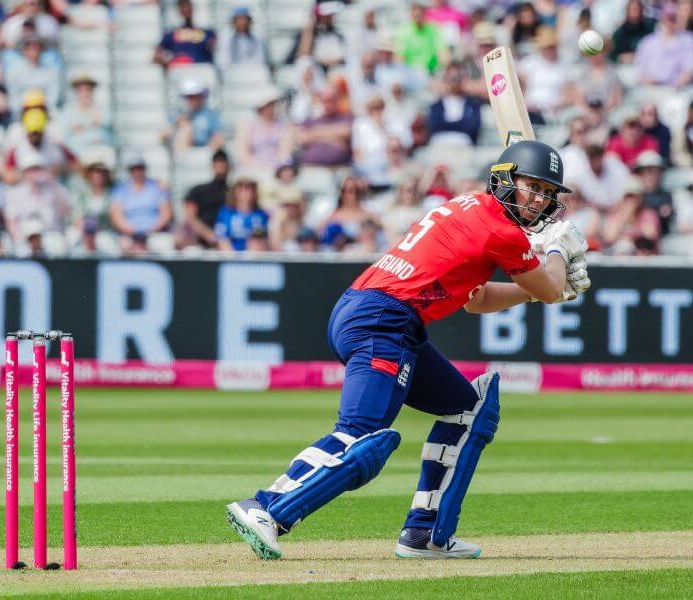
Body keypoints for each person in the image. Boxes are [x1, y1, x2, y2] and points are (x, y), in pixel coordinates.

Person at [225, 140, 590, 561]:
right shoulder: (501, 231)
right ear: (506, 179)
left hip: (385, 316)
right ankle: (266, 507)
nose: (539, 199)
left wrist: (537, 280)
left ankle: (426, 533)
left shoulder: (472, 207)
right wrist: (557, 250)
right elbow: (550, 289)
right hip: (383, 319)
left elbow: (477, 299)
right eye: (532, 187)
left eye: (547, 192)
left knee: (469, 411)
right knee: (362, 435)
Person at [4, 151, 70, 243]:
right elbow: (12, 222)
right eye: (31, 169)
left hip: (53, 237)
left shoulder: (55, 189)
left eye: (38, 169)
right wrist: (19, 240)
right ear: (24, 172)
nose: (35, 173)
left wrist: (52, 182)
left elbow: (66, 211)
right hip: (27, 239)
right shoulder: (14, 194)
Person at [109, 152, 172, 241]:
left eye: (140, 168)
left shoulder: (157, 187)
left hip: (155, 233)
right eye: (134, 169)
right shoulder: (121, 189)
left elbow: (166, 213)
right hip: (128, 234)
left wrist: (152, 230)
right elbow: (117, 215)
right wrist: (132, 232)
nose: (137, 172)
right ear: (129, 170)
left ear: (145, 168)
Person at [634, 2, 693, 87]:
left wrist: (678, 84)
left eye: (673, 19)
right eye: (666, 19)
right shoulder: (648, 41)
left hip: (677, 89)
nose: (669, 22)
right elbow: (640, 68)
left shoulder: (688, 39)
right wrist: (647, 81)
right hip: (650, 88)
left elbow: (691, 69)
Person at [234, 87, 292, 171]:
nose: (272, 108)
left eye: (273, 104)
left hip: (276, 168)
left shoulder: (284, 126)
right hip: (252, 168)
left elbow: (284, 154)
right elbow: (243, 154)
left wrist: (274, 167)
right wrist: (258, 166)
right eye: (269, 105)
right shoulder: (246, 125)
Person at [182, 149, 229, 248]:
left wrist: (222, 239)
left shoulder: (234, 192)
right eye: (217, 161)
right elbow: (190, 217)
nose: (220, 165)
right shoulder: (198, 191)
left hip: (228, 242)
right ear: (213, 165)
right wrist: (209, 235)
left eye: (223, 161)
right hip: (201, 241)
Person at [296, 87, 353, 168]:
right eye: (325, 100)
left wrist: (315, 132)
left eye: (331, 100)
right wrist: (335, 139)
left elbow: (346, 132)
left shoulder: (346, 117)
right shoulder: (311, 119)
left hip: (338, 168)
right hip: (310, 167)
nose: (328, 104)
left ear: (338, 100)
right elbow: (303, 138)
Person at [57, 72, 112, 156]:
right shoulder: (68, 112)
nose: (85, 93)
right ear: (76, 91)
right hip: (77, 155)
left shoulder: (103, 110)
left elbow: (109, 135)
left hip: (99, 152)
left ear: (93, 90)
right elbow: (64, 138)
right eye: (81, 90)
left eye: (88, 89)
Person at [426, 62, 481, 146]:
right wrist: (461, 124)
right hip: (440, 145)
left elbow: (472, 128)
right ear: (446, 79)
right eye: (452, 78)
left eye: (458, 78)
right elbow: (434, 126)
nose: (455, 82)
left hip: (464, 146)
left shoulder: (473, 105)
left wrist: (446, 125)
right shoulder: (436, 106)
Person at [163, 79, 224, 151]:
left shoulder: (210, 115)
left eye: (196, 96)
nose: (193, 100)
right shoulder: (177, 115)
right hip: (181, 151)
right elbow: (163, 136)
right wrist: (177, 124)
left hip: (203, 151)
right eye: (189, 97)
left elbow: (218, 137)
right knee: (185, 127)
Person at [153, 0, 215, 69]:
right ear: (179, 10)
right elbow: (156, 56)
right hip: (180, 70)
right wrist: (168, 64)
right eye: (183, 7)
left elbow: (215, 50)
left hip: (202, 68)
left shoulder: (207, 32)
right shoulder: (171, 35)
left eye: (188, 6)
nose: (186, 9)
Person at [215, 176, 269, 251]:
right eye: (241, 190)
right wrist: (233, 256)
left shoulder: (260, 215)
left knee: (256, 243)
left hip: (254, 253)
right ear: (235, 192)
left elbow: (262, 239)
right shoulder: (226, 213)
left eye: (248, 189)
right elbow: (222, 238)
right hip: (231, 253)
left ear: (254, 193)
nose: (245, 193)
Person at [395, 0, 447, 75]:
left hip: (431, 71)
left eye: (420, 14)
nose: (418, 17)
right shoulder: (403, 31)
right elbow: (399, 57)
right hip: (411, 72)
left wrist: (442, 67)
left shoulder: (434, 29)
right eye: (415, 14)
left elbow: (442, 52)